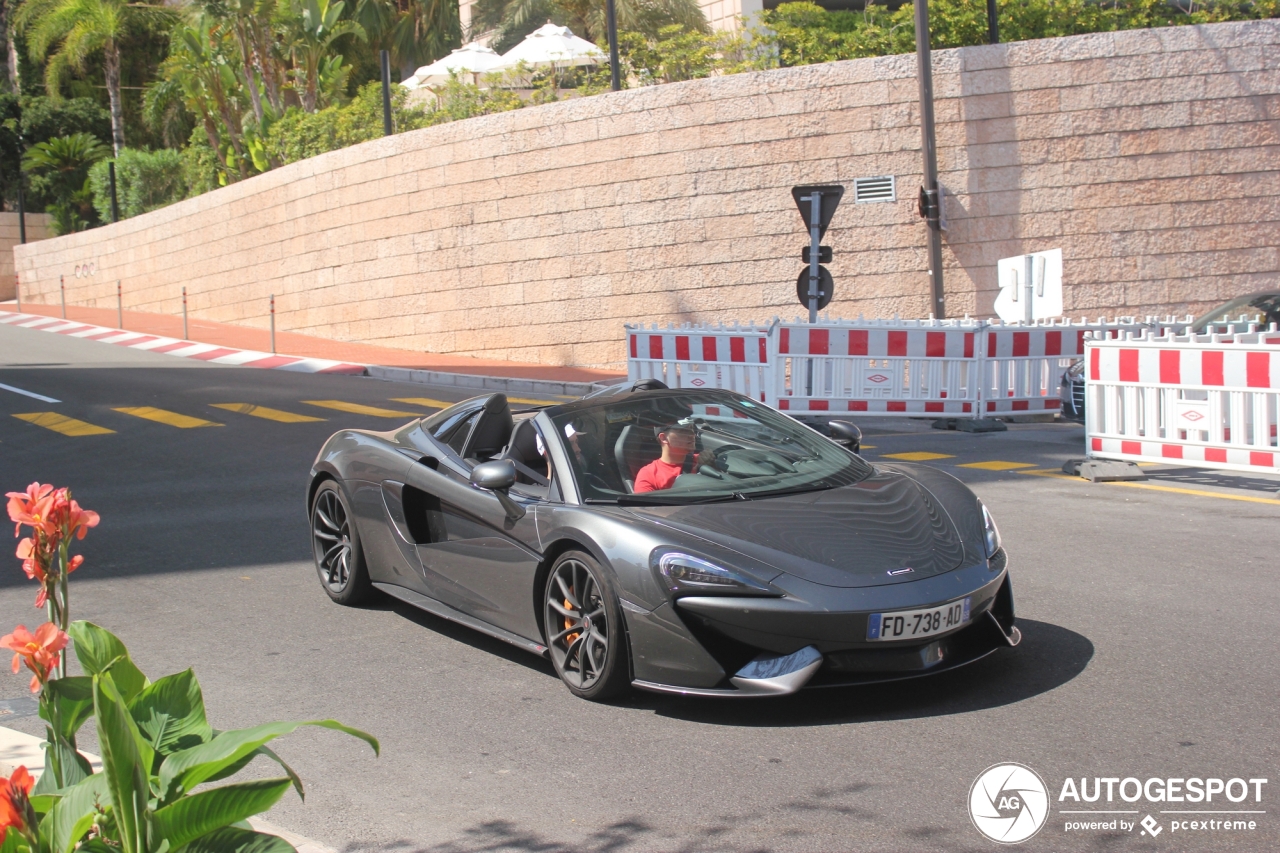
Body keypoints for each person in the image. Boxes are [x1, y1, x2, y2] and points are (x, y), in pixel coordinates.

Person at [634, 422, 698, 493]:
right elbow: (644, 503)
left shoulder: (703, 460)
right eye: (683, 431)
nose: (692, 434)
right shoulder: (648, 475)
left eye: (691, 428)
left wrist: (710, 464)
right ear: (663, 438)